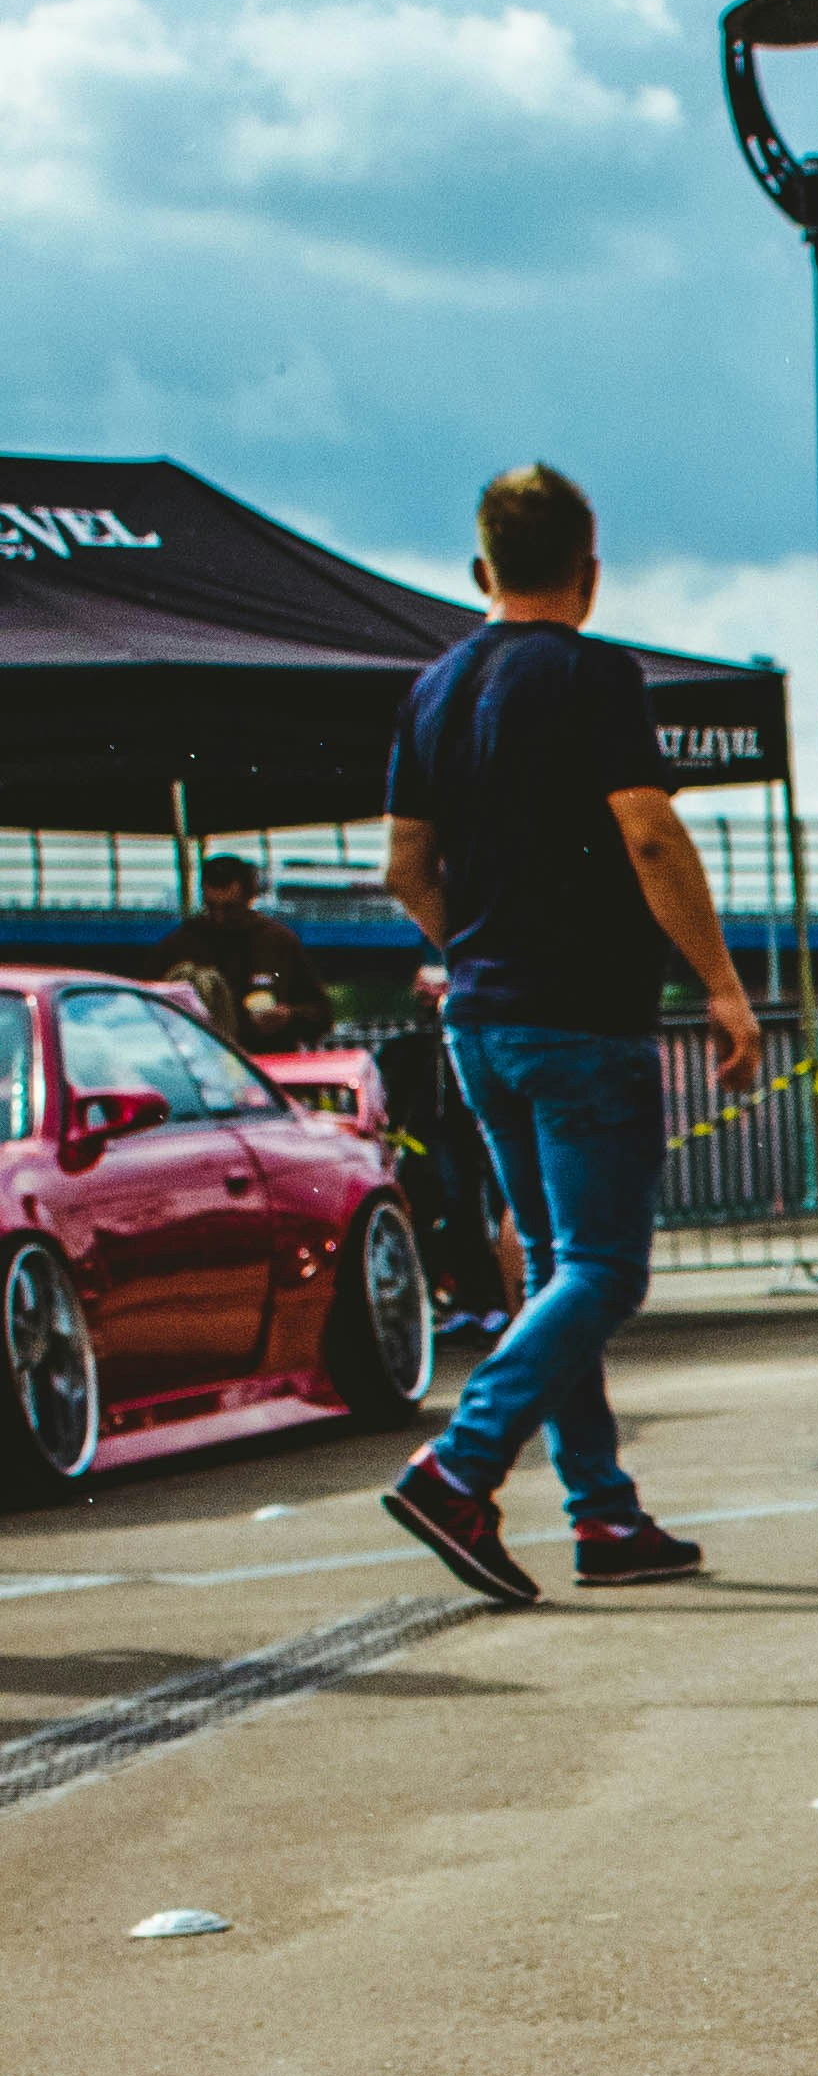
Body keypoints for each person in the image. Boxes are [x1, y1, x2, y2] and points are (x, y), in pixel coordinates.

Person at [374, 462, 763, 1606]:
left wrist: (474, 942)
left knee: (555, 1267)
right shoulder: (596, 674)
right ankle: (459, 1464)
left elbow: (405, 866)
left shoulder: (434, 689)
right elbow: (648, 833)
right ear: (589, 573)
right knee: (603, 1268)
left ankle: (603, 1512)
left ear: (480, 569)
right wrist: (722, 984)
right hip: (583, 1020)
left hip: (481, 1017)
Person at [160, 856, 337, 1054]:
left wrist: (290, 1016)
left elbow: (323, 1014)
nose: (219, 918)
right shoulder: (180, 945)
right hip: (202, 1059)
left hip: (264, 1060)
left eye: (230, 909)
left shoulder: (277, 942)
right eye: (211, 908)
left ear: (249, 899)